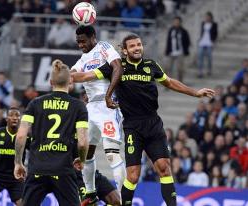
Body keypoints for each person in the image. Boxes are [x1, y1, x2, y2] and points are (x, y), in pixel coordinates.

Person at [71, 33, 215, 206]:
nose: (137, 48)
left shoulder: (151, 65)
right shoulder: (116, 68)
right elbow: (88, 76)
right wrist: (67, 76)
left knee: (164, 167)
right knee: (132, 174)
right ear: (124, 51)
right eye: (132, 46)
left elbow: (169, 82)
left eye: (139, 44)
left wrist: (195, 92)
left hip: (153, 123)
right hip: (132, 126)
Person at [14, 60, 89, 206]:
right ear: (70, 81)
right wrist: (82, 159)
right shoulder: (78, 106)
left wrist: (18, 162)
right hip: (63, 170)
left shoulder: (35, 103)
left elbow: (21, 135)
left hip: (37, 168)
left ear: (50, 82)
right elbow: (83, 141)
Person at [71, 25, 126, 203]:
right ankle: (91, 193)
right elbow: (72, 75)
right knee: (86, 151)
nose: (81, 45)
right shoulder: (83, 58)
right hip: (91, 108)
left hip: (108, 105)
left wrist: (109, 94)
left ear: (93, 36)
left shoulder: (104, 47)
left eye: (83, 41)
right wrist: (68, 73)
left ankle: (126, 199)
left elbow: (118, 67)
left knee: (112, 154)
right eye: (78, 42)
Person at [165, 16, 190, 82]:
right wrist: (167, 50)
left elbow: (187, 41)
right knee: (168, 68)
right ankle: (168, 83)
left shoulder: (183, 31)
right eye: (175, 22)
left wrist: (186, 50)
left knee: (180, 69)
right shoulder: (171, 30)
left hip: (180, 52)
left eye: (177, 22)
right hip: (172, 51)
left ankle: (180, 83)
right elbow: (168, 41)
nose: (176, 23)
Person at [197, 11, 218, 78]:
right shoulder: (203, 23)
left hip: (209, 42)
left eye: (208, 17)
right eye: (206, 16)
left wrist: (213, 41)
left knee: (209, 57)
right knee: (200, 57)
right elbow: (202, 32)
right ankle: (200, 71)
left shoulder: (214, 24)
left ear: (211, 17)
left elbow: (215, 33)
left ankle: (209, 70)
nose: (207, 18)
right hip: (202, 42)